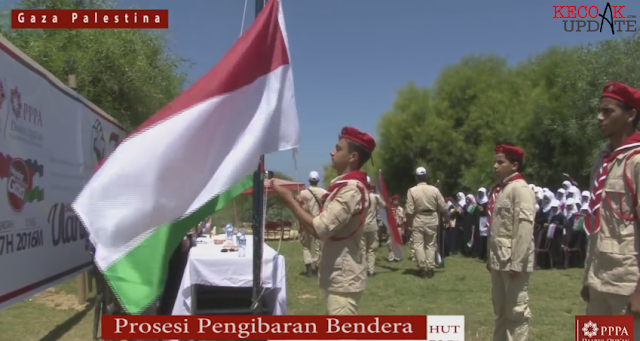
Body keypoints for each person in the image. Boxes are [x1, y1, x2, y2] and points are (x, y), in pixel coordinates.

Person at [272, 126, 374, 315]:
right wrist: (299, 208)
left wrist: (289, 201)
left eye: (338, 148)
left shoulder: (351, 190)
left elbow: (320, 229)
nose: (332, 152)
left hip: (344, 280)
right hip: (338, 277)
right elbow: (321, 224)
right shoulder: (341, 187)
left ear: (353, 157)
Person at [581, 82, 640, 324]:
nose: (599, 117)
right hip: (599, 278)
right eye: (599, 110)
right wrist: (587, 278)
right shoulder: (603, 161)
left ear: (631, 115)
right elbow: (598, 225)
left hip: (626, 284)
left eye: (608, 111)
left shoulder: (636, 162)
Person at [487, 143, 535, 341]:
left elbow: (524, 229)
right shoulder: (503, 190)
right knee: (500, 309)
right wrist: (491, 259)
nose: (495, 166)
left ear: (514, 165)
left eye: (501, 162)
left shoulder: (521, 190)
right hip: (499, 259)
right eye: (495, 162)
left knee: (516, 311)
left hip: (514, 262)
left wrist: (517, 262)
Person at [405, 166, 448, 278]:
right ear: (426, 177)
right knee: (431, 244)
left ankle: (422, 267)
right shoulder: (434, 190)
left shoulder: (412, 191)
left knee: (418, 244)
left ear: (416, 178)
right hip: (432, 218)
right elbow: (443, 206)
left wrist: (409, 224)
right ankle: (430, 267)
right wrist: (447, 219)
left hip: (418, 218)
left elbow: (409, 210)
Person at [297, 171, 328, 277]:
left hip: (306, 222)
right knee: (319, 247)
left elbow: (300, 207)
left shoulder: (303, 193)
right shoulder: (323, 192)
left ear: (309, 180)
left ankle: (309, 268)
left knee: (306, 246)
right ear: (318, 180)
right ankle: (318, 268)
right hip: (319, 221)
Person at [362, 177, 385, 276]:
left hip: (361, 227)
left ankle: (362, 270)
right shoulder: (375, 197)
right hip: (372, 226)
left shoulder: (359, 196)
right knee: (372, 249)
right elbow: (384, 205)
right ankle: (371, 271)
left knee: (362, 250)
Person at [387, 195, 405, 262]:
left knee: (398, 242)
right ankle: (391, 256)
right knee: (390, 242)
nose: (396, 202)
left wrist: (403, 229)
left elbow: (403, 220)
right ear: (393, 201)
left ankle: (397, 256)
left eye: (397, 200)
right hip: (391, 227)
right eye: (395, 200)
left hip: (399, 227)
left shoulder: (401, 209)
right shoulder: (390, 209)